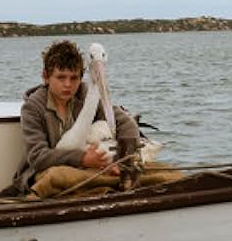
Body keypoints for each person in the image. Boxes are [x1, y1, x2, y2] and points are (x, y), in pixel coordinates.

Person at [10, 40, 139, 194]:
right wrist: (82, 158)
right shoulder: (33, 108)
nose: (68, 85)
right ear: (46, 77)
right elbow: (38, 157)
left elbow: (125, 123)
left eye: (74, 78)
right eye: (61, 77)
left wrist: (123, 161)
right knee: (57, 177)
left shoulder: (86, 95)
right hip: (41, 171)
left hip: (85, 167)